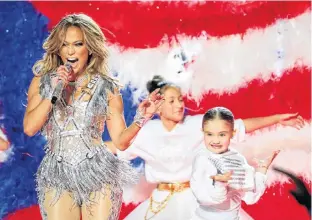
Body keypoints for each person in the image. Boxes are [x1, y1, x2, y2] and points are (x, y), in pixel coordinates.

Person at [23, 14, 163, 220]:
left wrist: (142, 118)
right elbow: (29, 128)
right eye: (64, 44)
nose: (70, 50)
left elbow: (121, 142)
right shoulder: (42, 82)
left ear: (89, 48)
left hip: (98, 171)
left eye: (78, 44)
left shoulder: (106, 86)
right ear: (58, 49)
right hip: (57, 173)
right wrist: (53, 92)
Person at [107, 75, 304, 220]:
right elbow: (115, 145)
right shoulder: (146, 131)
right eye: (172, 101)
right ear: (158, 105)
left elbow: (237, 126)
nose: (179, 105)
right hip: (161, 203)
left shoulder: (197, 124)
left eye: (181, 100)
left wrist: (277, 119)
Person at [190, 107, 279, 220]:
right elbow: (204, 197)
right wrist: (220, 184)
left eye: (222, 135)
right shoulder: (202, 159)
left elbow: (250, 197)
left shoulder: (238, 159)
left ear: (233, 133)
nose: (216, 140)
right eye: (210, 134)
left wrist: (262, 169)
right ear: (203, 132)